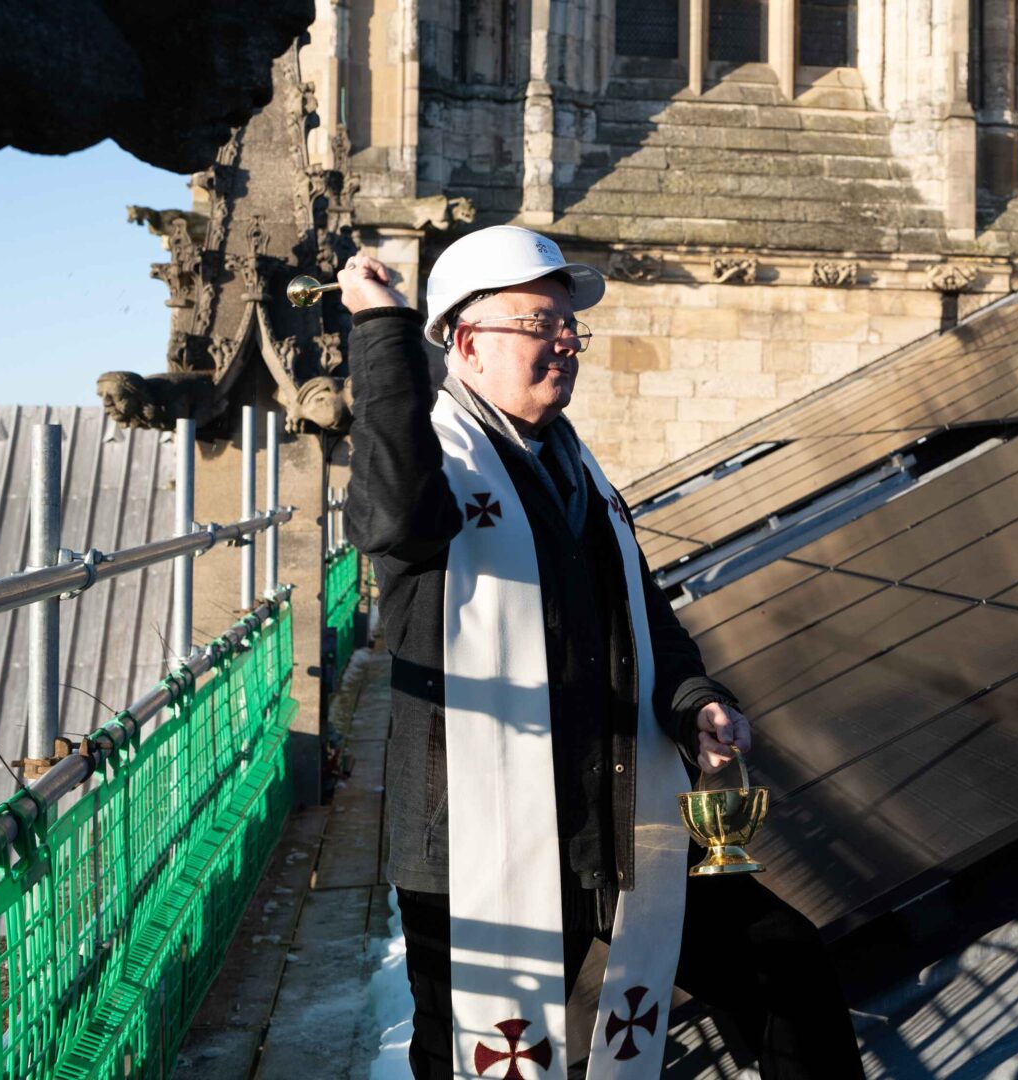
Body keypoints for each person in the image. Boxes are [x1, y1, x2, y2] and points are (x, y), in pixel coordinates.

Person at [340, 225, 864, 1080]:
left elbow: (641, 615)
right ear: (468, 343)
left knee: (782, 963)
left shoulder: (573, 467)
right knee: (467, 1057)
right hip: (476, 844)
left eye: (571, 327)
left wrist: (694, 700)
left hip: (618, 820)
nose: (567, 342)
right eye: (542, 323)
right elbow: (393, 515)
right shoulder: (437, 461)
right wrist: (383, 331)